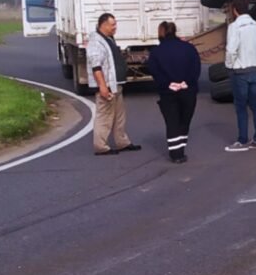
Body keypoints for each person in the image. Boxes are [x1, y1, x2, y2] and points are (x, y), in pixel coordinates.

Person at [86, 13, 141, 156]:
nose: (115, 27)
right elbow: (96, 66)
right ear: (103, 25)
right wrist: (102, 86)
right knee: (105, 116)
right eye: (112, 25)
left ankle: (122, 142)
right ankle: (101, 146)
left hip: (116, 84)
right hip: (107, 85)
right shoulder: (95, 42)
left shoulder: (108, 38)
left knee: (119, 116)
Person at [147, 21, 201, 163]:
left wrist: (168, 84)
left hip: (167, 91)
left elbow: (154, 71)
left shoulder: (156, 52)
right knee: (184, 120)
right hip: (188, 90)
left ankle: (176, 153)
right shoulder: (189, 48)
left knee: (172, 122)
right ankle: (181, 148)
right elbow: (196, 68)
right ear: (175, 31)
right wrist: (186, 82)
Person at [224, 0, 256, 152]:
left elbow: (231, 50)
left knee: (241, 106)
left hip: (240, 71)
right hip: (255, 69)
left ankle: (242, 139)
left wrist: (229, 66)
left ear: (235, 10)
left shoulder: (234, 27)